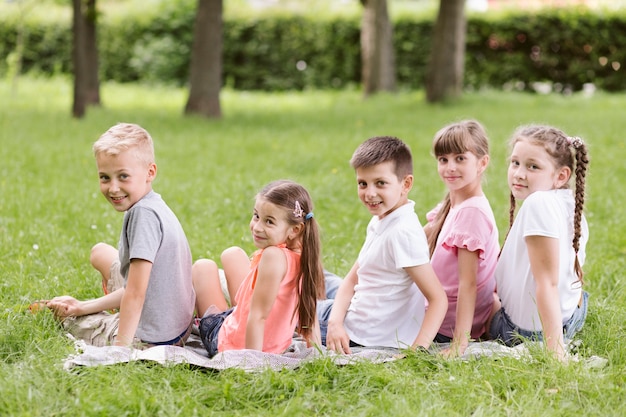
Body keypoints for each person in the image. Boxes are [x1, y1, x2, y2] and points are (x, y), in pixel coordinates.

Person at [46, 123, 195, 347]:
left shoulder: (143, 215)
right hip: (178, 327)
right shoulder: (153, 203)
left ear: (150, 172)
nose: (113, 188)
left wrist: (120, 350)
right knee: (100, 253)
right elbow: (137, 286)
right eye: (105, 178)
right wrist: (82, 305)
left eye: (123, 176)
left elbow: (135, 293)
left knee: (72, 322)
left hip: (152, 338)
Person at [319, 136, 448, 354]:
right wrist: (335, 322)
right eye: (363, 183)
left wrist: (415, 353)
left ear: (405, 184)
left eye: (380, 183)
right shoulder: (385, 216)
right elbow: (352, 279)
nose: (370, 193)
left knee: (286, 300)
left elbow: (438, 299)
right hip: (355, 313)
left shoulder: (401, 233)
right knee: (314, 275)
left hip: (360, 334)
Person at [488, 125, 590, 361]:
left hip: (528, 333)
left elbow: (547, 282)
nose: (519, 174)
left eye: (533, 166)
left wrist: (556, 352)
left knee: (482, 300)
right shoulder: (568, 203)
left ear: (561, 176)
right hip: (569, 317)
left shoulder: (538, 204)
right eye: (515, 163)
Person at [194, 180, 325, 358]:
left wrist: (253, 363)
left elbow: (257, 316)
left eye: (269, 222)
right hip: (262, 338)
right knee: (232, 254)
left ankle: (225, 313)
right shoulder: (306, 257)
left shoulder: (273, 256)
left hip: (231, 343)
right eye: (256, 216)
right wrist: (316, 354)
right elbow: (311, 318)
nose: (257, 227)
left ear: (295, 229)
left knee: (203, 267)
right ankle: (233, 312)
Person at [424, 120, 499, 357]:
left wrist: (459, 344)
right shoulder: (454, 202)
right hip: (436, 313)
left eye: (460, 158)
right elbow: (412, 240)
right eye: (443, 159)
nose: (450, 167)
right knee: (334, 287)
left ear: (482, 163)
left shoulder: (471, 213)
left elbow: (468, 285)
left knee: (324, 313)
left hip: (442, 325)